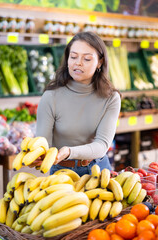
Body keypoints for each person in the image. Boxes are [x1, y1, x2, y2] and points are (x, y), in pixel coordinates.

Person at [36, 31, 121, 176]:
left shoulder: (111, 98)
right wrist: (37, 153)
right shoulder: (50, 97)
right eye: (73, 56)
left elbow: (102, 145)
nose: (78, 63)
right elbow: (44, 144)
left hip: (98, 169)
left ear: (100, 62)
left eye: (87, 59)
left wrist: (70, 151)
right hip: (62, 172)